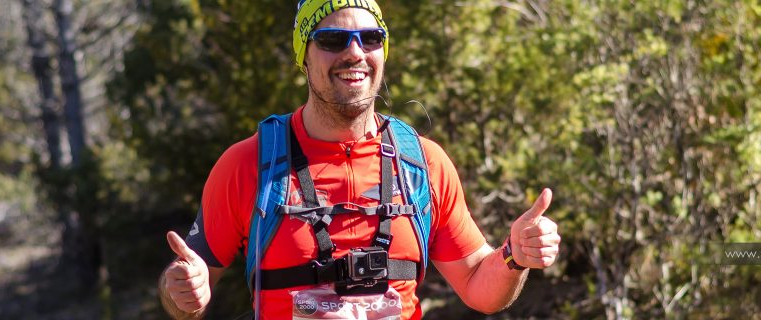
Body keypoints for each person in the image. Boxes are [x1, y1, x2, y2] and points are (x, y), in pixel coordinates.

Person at [157, 1, 561, 319]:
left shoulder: (423, 164)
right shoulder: (248, 164)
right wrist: (182, 291)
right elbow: (186, 295)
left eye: (370, 38)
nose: (355, 52)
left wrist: (514, 256)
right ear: (304, 55)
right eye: (333, 40)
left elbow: (477, 285)